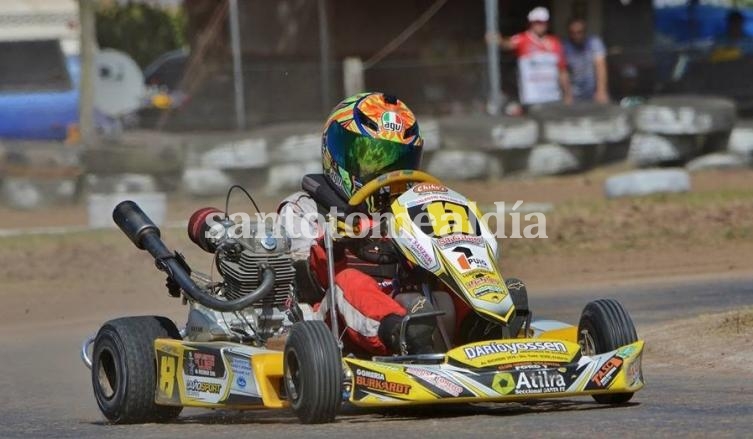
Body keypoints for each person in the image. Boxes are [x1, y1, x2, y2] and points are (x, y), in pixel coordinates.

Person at [277, 92, 437, 356]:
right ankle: (401, 332)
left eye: (396, 161)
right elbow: (306, 280)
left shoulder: (408, 209)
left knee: (443, 289)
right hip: (325, 328)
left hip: (409, 306)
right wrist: (338, 241)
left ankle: (484, 328)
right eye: (372, 160)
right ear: (338, 152)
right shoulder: (304, 207)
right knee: (348, 280)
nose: (385, 173)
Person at [487, 6, 572, 107]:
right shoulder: (523, 39)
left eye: (543, 22)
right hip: (531, 98)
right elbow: (507, 44)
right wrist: (497, 40)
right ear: (531, 23)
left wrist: (568, 94)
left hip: (552, 97)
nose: (540, 25)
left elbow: (562, 70)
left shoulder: (555, 43)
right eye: (537, 22)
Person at [563, 17, 609, 103]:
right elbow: (563, 72)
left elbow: (600, 67)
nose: (576, 35)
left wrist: (601, 91)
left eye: (579, 32)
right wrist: (567, 94)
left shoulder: (594, 43)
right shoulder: (564, 46)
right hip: (574, 93)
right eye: (572, 33)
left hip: (593, 91)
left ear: (585, 32)